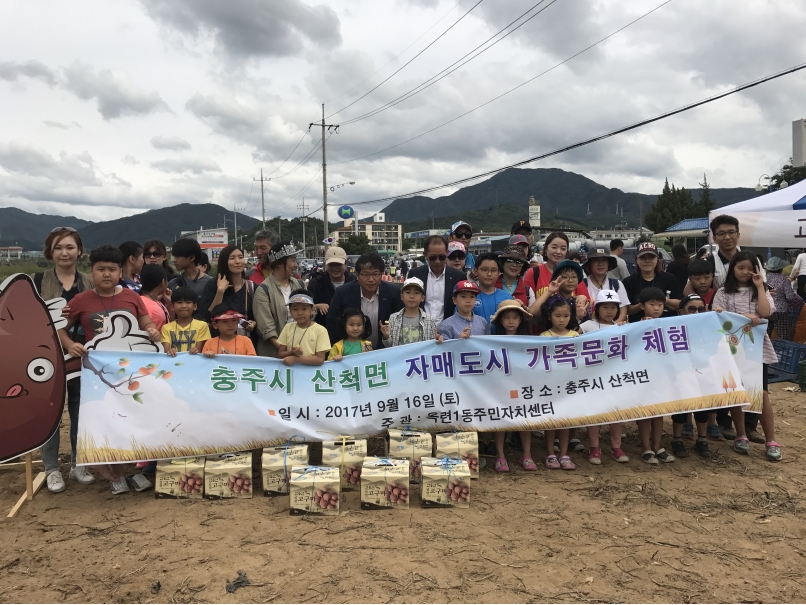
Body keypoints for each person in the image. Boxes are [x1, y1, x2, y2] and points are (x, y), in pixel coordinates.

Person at [57, 244, 161, 495]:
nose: (106, 274)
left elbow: (145, 319)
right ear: (91, 271)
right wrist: (71, 344)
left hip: (130, 371)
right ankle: (111, 474)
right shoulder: (80, 300)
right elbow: (59, 326)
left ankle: (130, 470)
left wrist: (152, 330)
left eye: (112, 269)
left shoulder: (131, 296)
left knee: (131, 417)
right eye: (100, 269)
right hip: (97, 373)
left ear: (119, 272)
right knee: (104, 420)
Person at [32, 227, 96, 493]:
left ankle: (78, 463)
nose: (64, 253)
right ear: (50, 252)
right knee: (52, 412)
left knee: (81, 410)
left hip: (85, 355)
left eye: (70, 247)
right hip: (48, 356)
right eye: (58, 247)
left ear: (79, 251)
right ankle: (51, 468)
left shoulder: (89, 282)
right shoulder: (36, 281)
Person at [713, 251, 780, 461]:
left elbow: (765, 312)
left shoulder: (762, 290)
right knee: (736, 391)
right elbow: (718, 316)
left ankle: (771, 440)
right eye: (740, 267)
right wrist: (746, 317)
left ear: (756, 270)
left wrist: (760, 286)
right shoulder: (723, 292)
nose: (744, 272)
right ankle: (741, 434)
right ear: (732, 268)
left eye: (749, 268)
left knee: (761, 394)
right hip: (731, 349)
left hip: (756, 349)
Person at [580, 290, 629, 464]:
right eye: (605, 307)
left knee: (616, 412)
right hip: (593, 377)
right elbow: (572, 339)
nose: (609, 311)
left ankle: (616, 446)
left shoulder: (622, 328)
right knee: (594, 412)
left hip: (615, 378)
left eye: (613, 307)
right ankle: (594, 447)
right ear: (596, 308)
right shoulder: (587, 326)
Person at [489, 300, 537, 472]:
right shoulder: (491, 342)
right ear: (500, 321)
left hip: (522, 386)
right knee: (501, 419)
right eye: (507, 317)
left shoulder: (529, 342)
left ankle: (527, 454)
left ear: (520, 320)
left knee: (524, 420)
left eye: (515, 317)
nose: (511, 321)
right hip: (501, 386)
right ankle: (500, 455)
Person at [668, 294, 714, 459]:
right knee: (681, 408)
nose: (696, 313)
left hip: (703, 372)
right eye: (691, 309)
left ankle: (702, 439)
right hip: (681, 373)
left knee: (702, 408)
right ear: (681, 311)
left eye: (701, 309)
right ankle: (677, 439)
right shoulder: (672, 327)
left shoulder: (709, 326)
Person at [327, 252, 405, 350]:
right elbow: (332, 325)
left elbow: (400, 325)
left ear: (382, 274)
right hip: (352, 353)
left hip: (385, 351)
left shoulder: (393, 292)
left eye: (375, 274)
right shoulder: (343, 293)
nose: (371, 279)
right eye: (366, 274)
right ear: (357, 275)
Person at [633, 287, 675, 465]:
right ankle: (646, 448)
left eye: (660, 304)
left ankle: (658, 447)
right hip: (643, 376)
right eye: (652, 304)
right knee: (644, 413)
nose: (656, 308)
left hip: (661, 375)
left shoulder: (669, 325)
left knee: (659, 412)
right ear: (642, 306)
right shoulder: (634, 326)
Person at [539, 296, 580, 470]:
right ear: (549, 316)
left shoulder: (576, 336)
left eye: (566, 316)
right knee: (551, 421)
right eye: (558, 316)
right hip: (550, 387)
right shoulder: (543, 337)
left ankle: (564, 454)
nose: (562, 320)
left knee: (565, 421)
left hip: (569, 386)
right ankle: (550, 453)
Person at [253, 243, 303, 357]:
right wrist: (286, 351)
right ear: (280, 264)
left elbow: (310, 313)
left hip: (300, 351)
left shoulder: (299, 284)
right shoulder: (263, 290)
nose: (295, 265)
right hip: (273, 355)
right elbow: (266, 327)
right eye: (293, 260)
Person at [199, 245, 257, 337]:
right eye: (232, 258)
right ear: (224, 262)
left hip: (244, 344)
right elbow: (207, 316)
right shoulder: (212, 284)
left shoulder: (251, 287)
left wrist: (253, 324)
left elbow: (255, 317)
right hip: (217, 342)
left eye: (240, 257)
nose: (238, 261)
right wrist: (220, 291)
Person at [408, 235, 467, 326]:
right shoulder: (415, 274)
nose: (437, 261)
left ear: (447, 253)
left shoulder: (458, 277)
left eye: (442, 257)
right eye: (433, 258)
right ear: (425, 255)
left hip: (449, 331)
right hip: (420, 329)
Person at [622, 242, 682, 323]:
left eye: (651, 257)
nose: (647, 261)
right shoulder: (628, 282)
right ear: (636, 260)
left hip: (667, 326)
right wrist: (643, 304)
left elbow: (680, 305)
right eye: (643, 257)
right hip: (639, 328)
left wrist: (661, 300)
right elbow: (625, 310)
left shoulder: (670, 278)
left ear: (657, 259)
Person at [524, 232, 591, 302]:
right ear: (546, 249)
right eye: (554, 247)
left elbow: (587, 302)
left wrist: (582, 298)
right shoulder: (533, 273)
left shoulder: (574, 274)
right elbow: (526, 303)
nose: (558, 252)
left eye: (563, 248)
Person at [380, 277, 441, 347]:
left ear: (422, 298)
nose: (412, 296)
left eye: (416, 293)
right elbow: (389, 346)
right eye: (408, 292)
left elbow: (432, 345)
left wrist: (437, 340)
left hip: (419, 357)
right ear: (402, 296)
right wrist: (386, 336)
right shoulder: (393, 318)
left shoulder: (429, 320)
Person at [276, 290, 330, 366]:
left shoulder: (320, 330)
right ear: (290, 311)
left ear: (312, 310)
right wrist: (292, 352)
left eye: (304, 309)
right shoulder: (288, 327)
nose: (300, 313)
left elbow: (320, 359)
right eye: (295, 309)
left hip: (311, 374)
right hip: (290, 372)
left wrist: (295, 359)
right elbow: (280, 354)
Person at [309, 246, 356, 327]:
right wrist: (316, 307)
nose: (335, 268)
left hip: (351, 334)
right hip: (323, 333)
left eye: (338, 264)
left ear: (346, 264)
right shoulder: (315, 283)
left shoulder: (355, 283)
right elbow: (306, 308)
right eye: (331, 265)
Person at [581, 248, 629, 323]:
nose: (600, 264)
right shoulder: (582, 284)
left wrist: (610, 328)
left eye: (604, 260)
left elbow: (623, 311)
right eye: (596, 260)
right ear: (589, 264)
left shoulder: (617, 284)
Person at [161, 287, 210, 355]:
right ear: (172, 306)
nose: (184, 306)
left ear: (195, 306)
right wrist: (170, 351)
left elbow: (199, 350)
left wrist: (196, 350)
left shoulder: (202, 326)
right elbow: (166, 351)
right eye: (179, 302)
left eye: (188, 302)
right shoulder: (166, 328)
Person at [765, 256, 804, 341]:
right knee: (783, 338)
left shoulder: (763, 279)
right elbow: (790, 297)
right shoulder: (784, 280)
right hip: (781, 312)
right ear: (781, 269)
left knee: (765, 337)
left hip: (766, 310)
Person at [495, 245, 539, 315]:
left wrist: (524, 308)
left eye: (519, 262)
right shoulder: (491, 286)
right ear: (502, 263)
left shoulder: (528, 290)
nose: (514, 265)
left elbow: (532, 318)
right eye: (510, 261)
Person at [473, 253, 514, 326]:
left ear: (498, 273)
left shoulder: (507, 298)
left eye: (493, 270)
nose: (489, 274)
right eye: (484, 270)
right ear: (476, 271)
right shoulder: (468, 296)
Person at [139, 264, 172, 331]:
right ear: (163, 282)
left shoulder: (150, 300)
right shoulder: (149, 305)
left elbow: (169, 320)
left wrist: (168, 303)